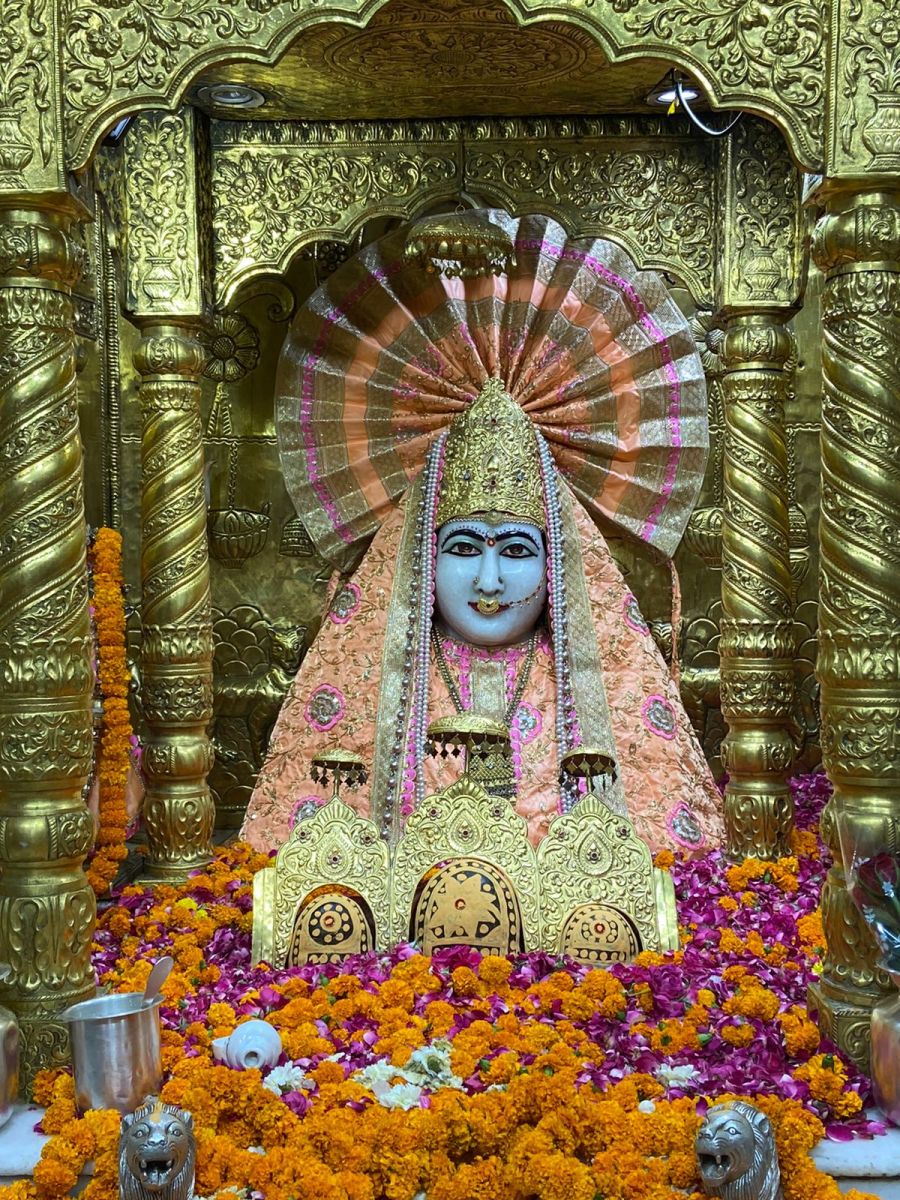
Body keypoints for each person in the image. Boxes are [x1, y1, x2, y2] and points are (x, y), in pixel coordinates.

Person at [240, 213, 724, 855]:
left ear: (559, 564)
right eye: (463, 548)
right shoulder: (379, 684)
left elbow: (669, 872)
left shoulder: (593, 689)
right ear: (416, 555)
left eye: (517, 551)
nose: (490, 581)